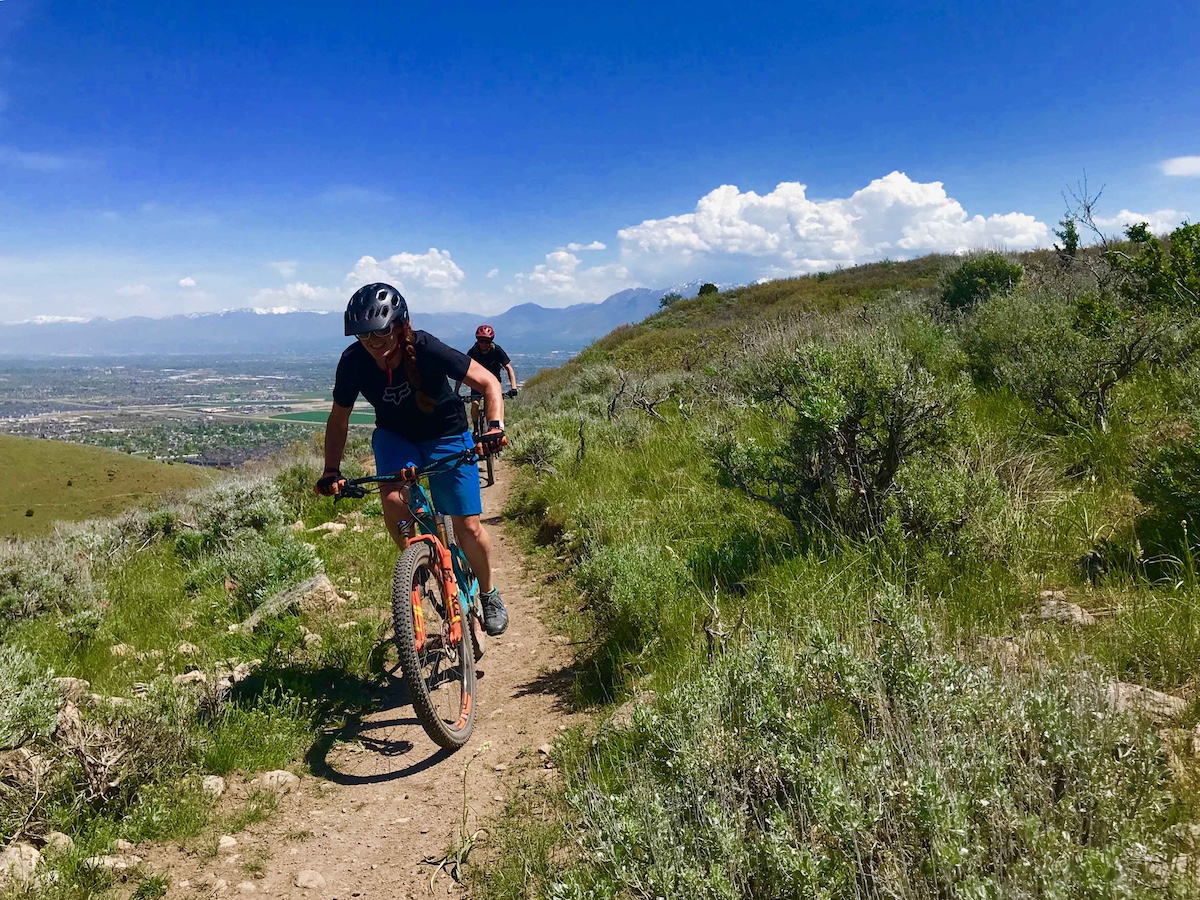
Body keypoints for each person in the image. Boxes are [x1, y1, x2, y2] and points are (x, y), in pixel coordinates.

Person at [314, 283, 509, 638]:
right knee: (392, 500)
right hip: (396, 437)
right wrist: (331, 470)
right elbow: (338, 419)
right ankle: (416, 564)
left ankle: (488, 593)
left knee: (468, 528)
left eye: (382, 330)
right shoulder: (354, 362)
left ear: (402, 323)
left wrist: (494, 426)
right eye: (362, 334)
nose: (372, 340)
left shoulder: (425, 346)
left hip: (447, 434)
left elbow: (488, 383)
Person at [455, 324, 518, 427]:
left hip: (494, 383)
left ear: (491, 341)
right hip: (478, 383)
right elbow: (463, 370)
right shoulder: (473, 352)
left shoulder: (497, 351)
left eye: (487, 341)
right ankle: (475, 428)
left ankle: (496, 428)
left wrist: (514, 387)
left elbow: (508, 368)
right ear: (477, 341)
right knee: (475, 404)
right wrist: (456, 391)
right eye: (481, 341)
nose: (484, 344)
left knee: (494, 407)